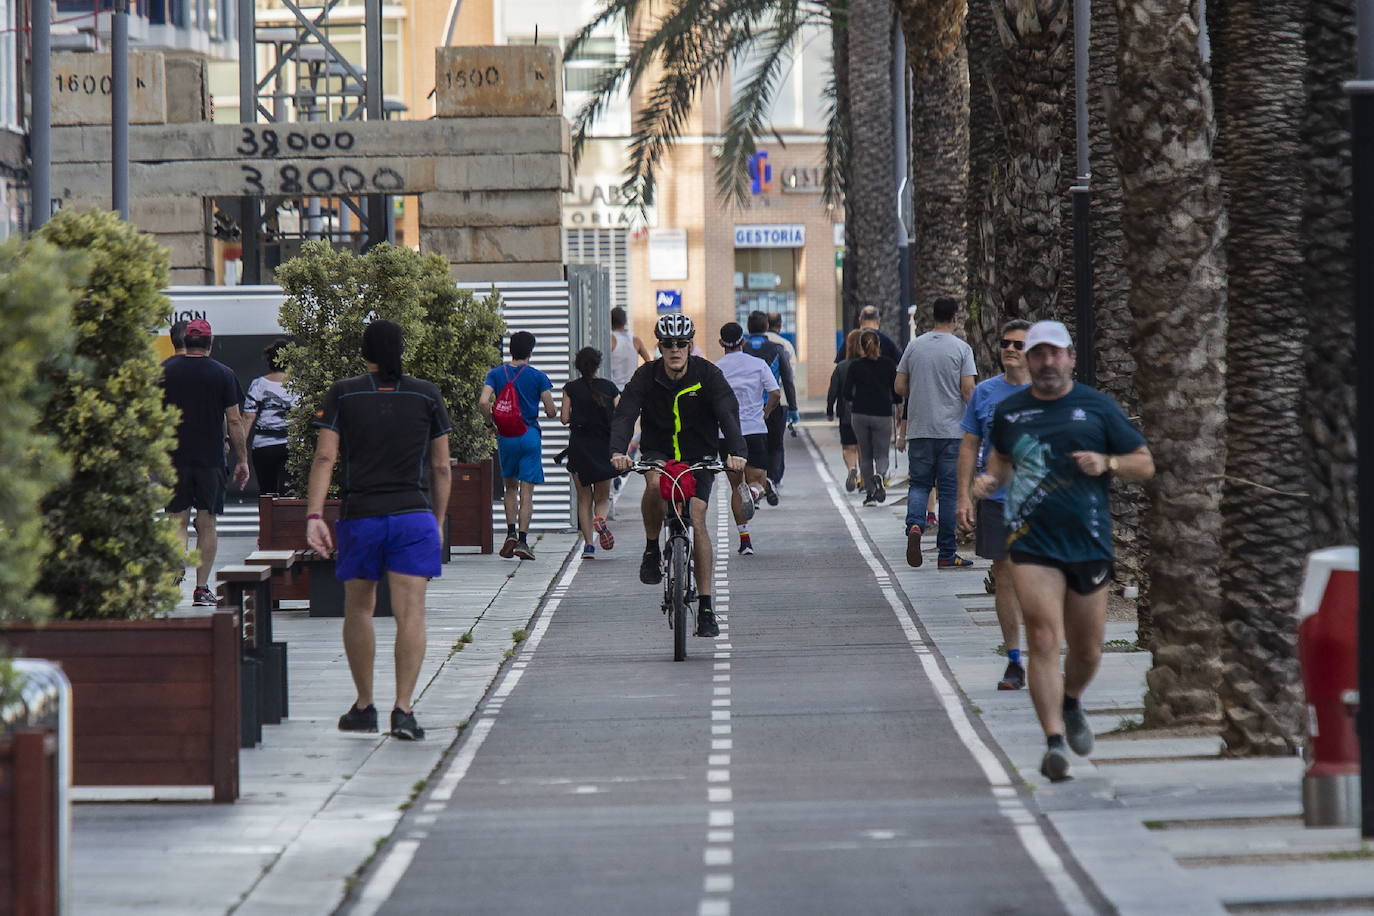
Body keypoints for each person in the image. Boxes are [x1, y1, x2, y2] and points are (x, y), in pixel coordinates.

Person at [973, 320, 1154, 782]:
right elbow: (1002, 461)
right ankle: (1053, 740)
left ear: (1071, 357)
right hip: (1031, 540)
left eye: (1056, 354)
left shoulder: (1096, 407)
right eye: (1038, 354)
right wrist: (990, 480)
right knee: (1044, 639)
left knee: (1089, 650)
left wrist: (1108, 462)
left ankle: (1071, 701)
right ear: (1029, 361)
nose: (1047, 362)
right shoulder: (1012, 412)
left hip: (1087, 541)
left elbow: (1144, 463)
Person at [306, 319, 452, 741]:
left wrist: (314, 516)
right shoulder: (427, 394)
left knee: (359, 610)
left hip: (361, 516)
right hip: (413, 516)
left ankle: (364, 706)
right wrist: (436, 522)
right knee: (411, 615)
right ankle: (403, 710)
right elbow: (442, 467)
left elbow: (324, 459)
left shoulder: (344, 392)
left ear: (364, 352)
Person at [609, 313, 746, 638]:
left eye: (681, 344)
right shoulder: (646, 376)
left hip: (699, 456)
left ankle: (707, 606)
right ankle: (652, 548)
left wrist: (737, 452)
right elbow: (626, 413)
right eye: (668, 344)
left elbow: (728, 412)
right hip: (658, 453)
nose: (674, 350)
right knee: (654, 483)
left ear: (690, 346)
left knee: (697, 518)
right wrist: (618, 451)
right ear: (659, 346)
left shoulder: (708, 375)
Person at [956, 320, 1032, 690]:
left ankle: (1046, 648)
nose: (1010, 349)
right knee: (1005, 575)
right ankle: (1015, 659)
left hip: (1043, 503)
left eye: (1018, 344)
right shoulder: (985, 393)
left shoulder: (1050, 392)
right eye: (1005, 343)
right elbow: (969, 444)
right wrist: (963, 496)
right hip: (998, 500)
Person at [159, 318, 250, 606]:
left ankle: (172, 585)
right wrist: (242, 459)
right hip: (210, 458)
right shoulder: (223, 374)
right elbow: (234, 420)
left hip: (172, 458)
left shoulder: (163, 371)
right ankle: (201, 589)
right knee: (207, 522)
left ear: (186, 340)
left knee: (177, 520)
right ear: (210, 343)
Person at [895, 297, 977, 569]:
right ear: (955, 317)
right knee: (949, 492)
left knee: (919, 484)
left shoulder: (914, 346)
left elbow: (899, 386)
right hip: (952, 432)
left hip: (919, 430)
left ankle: (915, 526)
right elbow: (968, 390)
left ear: (933, 316)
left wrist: (921, 389)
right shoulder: (962, 349)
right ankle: (946, 554)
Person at [480, 331, 556, 561]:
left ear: (510, 349)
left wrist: (489, 423)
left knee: (510, 488)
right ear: (531, 351)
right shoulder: (538, 376)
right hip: (529, 436)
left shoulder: (495, 373)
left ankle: (510, 533)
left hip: (507, 437)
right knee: (527, 492)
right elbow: (551, 410)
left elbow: (484, 401)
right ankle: (523, 541)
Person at [715, 321, 780, 555]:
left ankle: (745, 541)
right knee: (758, 482)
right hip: (754, 429)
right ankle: (753, 494)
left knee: (735, 486)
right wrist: (766, 412)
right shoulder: (758, 364)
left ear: (721, 343)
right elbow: (775, 392)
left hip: (727, 434)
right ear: (742, 341)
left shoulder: (715, 368)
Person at [560, 347, 619, 560]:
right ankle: (600, 519)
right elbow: (619, 419)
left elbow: (564, 419)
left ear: (577, 365)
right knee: (602, 498)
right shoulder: (610, 388)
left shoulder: (570, 388)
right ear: (598, 364)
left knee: (584, 499)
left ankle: (588, 546)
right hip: (604, 447)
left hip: (579, 447)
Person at [744, 310, 797, 503]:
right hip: (774, 405)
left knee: (752, 449)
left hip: (749, 407)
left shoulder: (742, 350)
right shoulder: (778, 349)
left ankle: (753, 489)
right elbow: (788, 380)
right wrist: (793, 408)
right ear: (767, 326)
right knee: (775, 446)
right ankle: (772, 480)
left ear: (748, 328)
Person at [845, 329, 900, 506]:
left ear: (861, 346)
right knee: (882, 452)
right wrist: (898, 406)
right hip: (882, 413)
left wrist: (854, 400)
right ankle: (881, 475)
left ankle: (870, 495)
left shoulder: (855, 366)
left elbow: (847, 393)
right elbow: (896, 392)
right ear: (878, 345)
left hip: (860, 413)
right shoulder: (889, 365)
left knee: (865, 454)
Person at [242, 338, 299, 495]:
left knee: (267, 493)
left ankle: (266, 519)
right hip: (293, 446)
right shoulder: (299, 384)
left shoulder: (259, 384)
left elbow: (248, 417)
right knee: (291, 494)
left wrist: (240, 447)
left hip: (264, 446)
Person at [826, 329, 863, 492]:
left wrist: (829, 410)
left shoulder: (841, 367)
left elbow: (832, 390)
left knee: (848, 447)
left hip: (846, 414)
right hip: (866, 412)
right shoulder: (869, 365)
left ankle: (851, 469)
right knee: (863, 447)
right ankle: (864, 476)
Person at [835, 305, 901, 365]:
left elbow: (839, 363)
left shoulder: (851, 339)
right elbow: (900, 363)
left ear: (860, 320)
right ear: (878, 320)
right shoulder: (887, 342)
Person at [609, 306, 654, 390]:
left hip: (614, 389)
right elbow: (649, 363)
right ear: (625, 321)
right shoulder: (636, 341)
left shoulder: (611, 340)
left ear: (610, 321)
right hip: (632, 387)